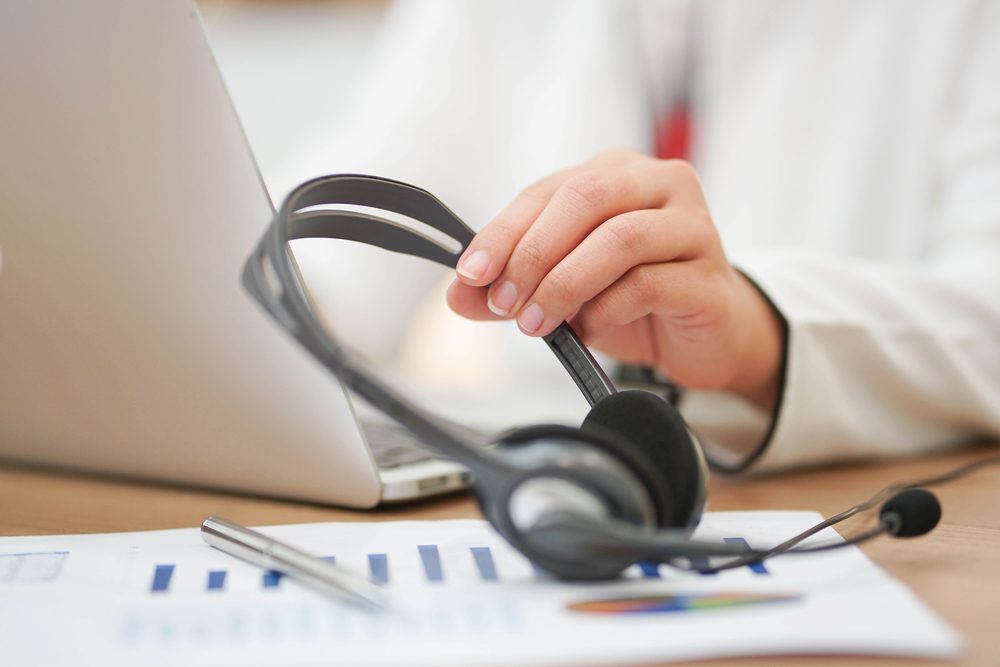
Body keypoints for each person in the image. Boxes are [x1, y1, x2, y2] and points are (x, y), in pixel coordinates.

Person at [280, 0, 1000, 472]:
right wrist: (257, 314)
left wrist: (758, 336)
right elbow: (344, 243)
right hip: (557, 485)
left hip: (848, 501)